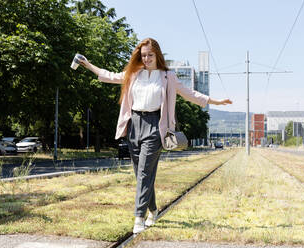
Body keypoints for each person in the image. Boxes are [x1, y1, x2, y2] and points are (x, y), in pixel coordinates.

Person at [78, 38, 232, 233]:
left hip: (155, 126)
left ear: (157, 55)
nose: (147, 58)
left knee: (144, 172)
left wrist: (215, 101)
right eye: (143, 55)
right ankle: (153, 209)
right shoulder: (133, 74)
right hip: (134, 124)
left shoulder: (167, 76)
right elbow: (109, 76)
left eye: (150, 55)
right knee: (141, 173)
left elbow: (188, 93)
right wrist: (87, 64)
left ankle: (138, 218)